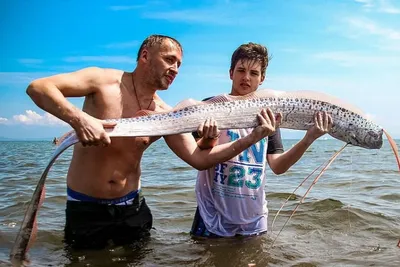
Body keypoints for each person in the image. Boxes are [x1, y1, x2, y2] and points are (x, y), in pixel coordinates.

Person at [26, 35, 280, 249]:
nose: (176, 69)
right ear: (145, 56)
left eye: (179, 64)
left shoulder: (165, 114)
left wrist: (251, 138)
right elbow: (39, 87)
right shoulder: (102, 81)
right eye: (170, 60)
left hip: (132, 209)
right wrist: (80, 120)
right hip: (86, 208)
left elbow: (199, 159)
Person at [190, 42, 333, 238]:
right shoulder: (211, 106)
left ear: (262, 78)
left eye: (254, 73)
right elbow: (197, 157)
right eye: (241, 70)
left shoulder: (269, 115)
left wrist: (309, 138)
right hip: (211, 216)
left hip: (254, 220)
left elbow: (278, 166)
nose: (246, 78)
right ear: (230, 73)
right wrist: (208, 139)